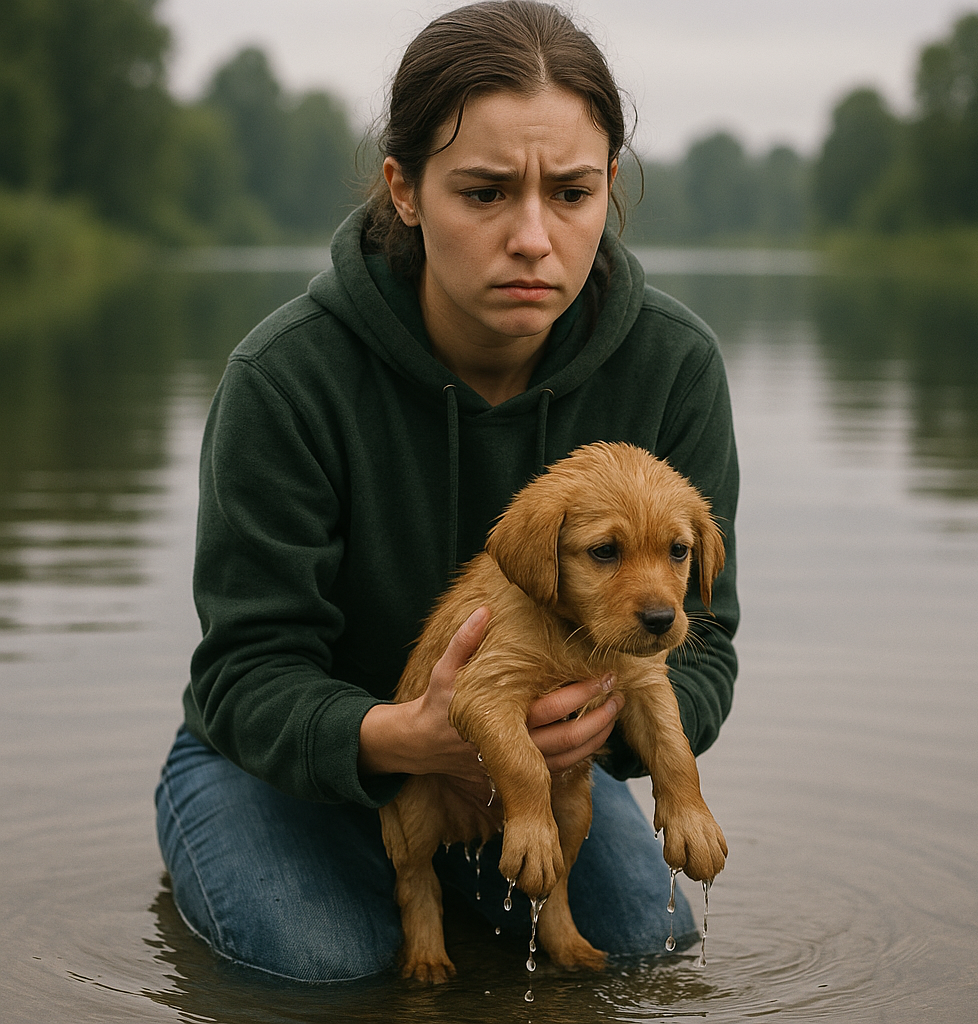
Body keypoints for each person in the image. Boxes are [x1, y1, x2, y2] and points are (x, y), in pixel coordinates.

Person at [155, 0, 739, 984]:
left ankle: (443, 890)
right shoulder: (286, 378)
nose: (531, 236)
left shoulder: (671, 368)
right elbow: (243, 675)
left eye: (570, 192)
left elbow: (703, 643)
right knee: (325, 959)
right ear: (407, 190)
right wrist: (405, 736)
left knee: (645, 943)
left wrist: (602, 725)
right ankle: (263, 860)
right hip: (286, 757)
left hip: (532, 762)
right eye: (483, 192)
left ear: (610, 191)